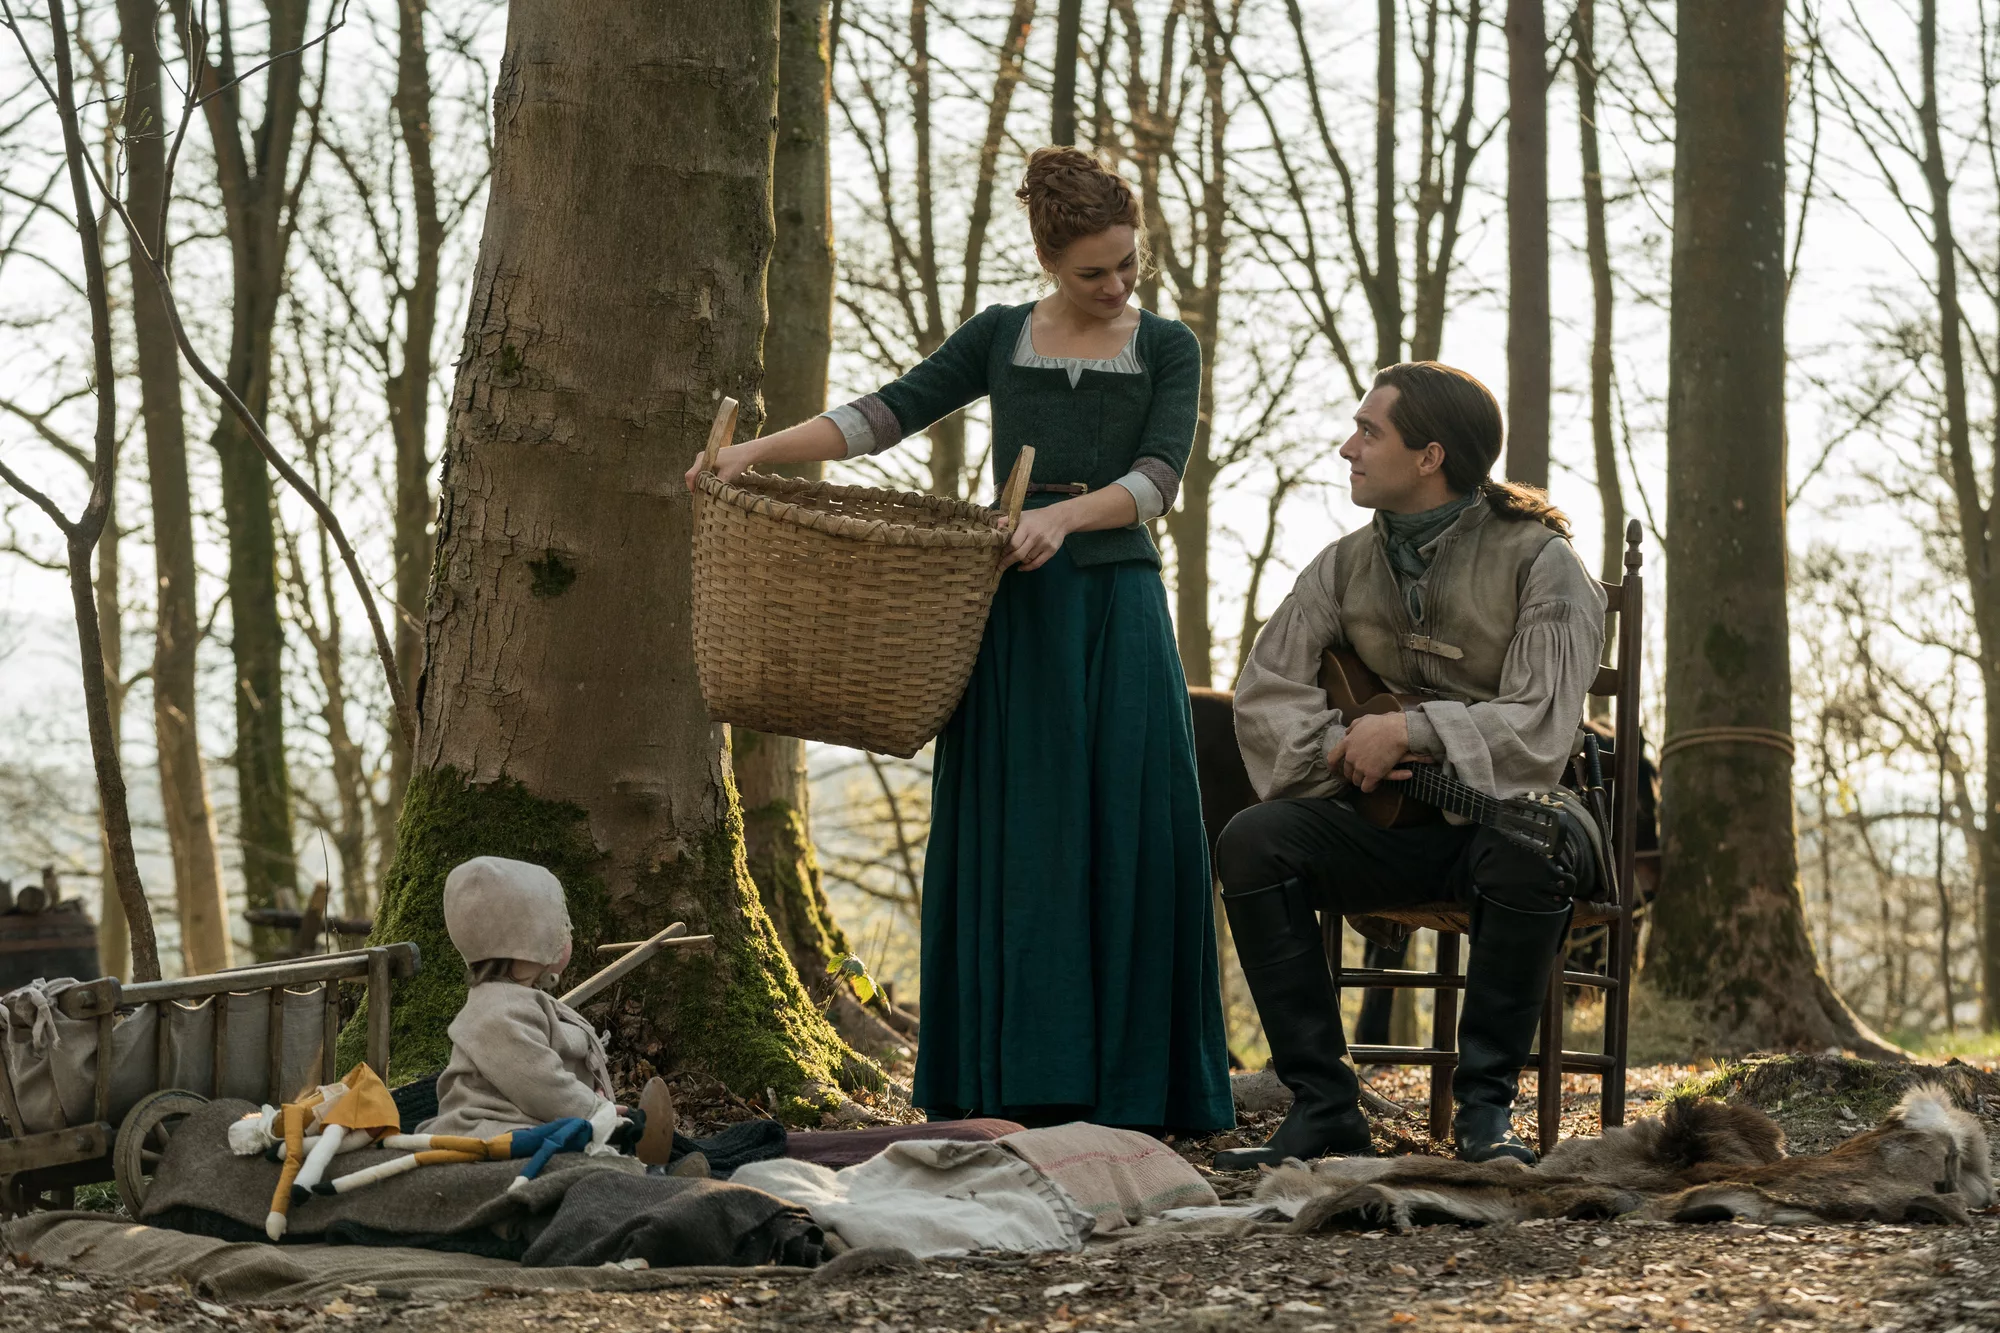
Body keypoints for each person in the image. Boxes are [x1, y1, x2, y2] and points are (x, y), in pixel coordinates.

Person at [685, 147, 1233, 1134]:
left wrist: (1062, 518)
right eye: (1093, 272)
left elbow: (1160, 478)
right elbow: (884, 414)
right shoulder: (999, 335)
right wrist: (753, 452)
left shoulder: (1166, 346)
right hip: (1012, 616)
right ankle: (1006, 1079)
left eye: (1128, 263)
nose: (1116, 286)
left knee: (1127, 831)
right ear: (1048, 261)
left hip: (1116, 613)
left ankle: (1137, 1091)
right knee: (1016, 834)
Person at [1213, 362, 1606, 1169]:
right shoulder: (1340, 566)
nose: (1347, 447)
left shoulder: (1542, 561)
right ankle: (1325, 1107)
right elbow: (1265, 692)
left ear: (1430, 456)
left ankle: (1485, 1113)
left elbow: (1540, 724)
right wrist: (1339, 747)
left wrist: (1413, 730)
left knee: (1527, 844)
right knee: (1252, 840)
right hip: (1387, 829)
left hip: (1514, 818)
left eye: (1369, 431)